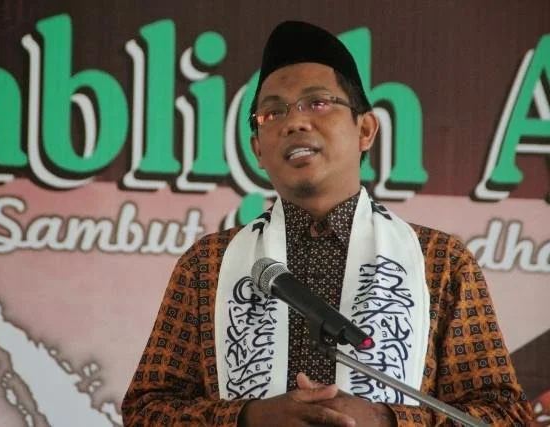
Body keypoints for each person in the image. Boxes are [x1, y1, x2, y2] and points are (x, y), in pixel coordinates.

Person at [122, 20, 532, 426]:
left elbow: (505, 416)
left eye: (317, 103)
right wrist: (248, 419)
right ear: (257, 150)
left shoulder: (438, 262)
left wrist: (387, 421)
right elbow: (145, 411)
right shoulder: (207, 264)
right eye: (272, 112)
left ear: (365, 129)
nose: (294, 122)